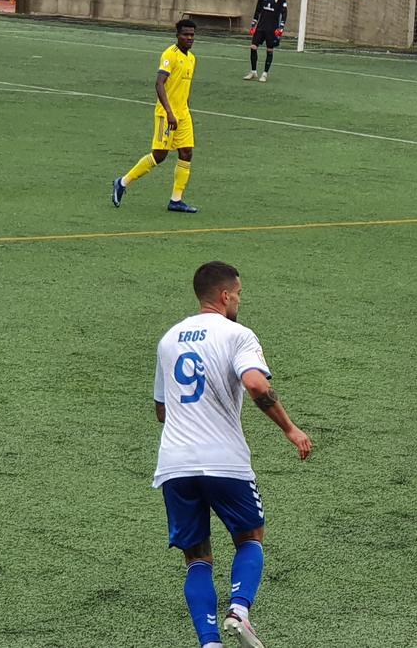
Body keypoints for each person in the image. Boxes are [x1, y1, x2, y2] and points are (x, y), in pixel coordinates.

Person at [152, 261, 313, 647]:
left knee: (197, 558)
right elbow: (256, 385)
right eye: (238, 294)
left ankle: (209, 642)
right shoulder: (237, 334)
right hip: (224, 460)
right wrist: (290, 428)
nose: (239, 300)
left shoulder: (169, 339)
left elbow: (161, 410)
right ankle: (239, 611)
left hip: (174, 464)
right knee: (249, 537)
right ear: (225, 296)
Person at [112, 20, 200, 214]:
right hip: (166, 114)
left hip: (183, 114)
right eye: (186, 34)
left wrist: (186, 109)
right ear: (178, 35)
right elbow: (159, 84)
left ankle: (176, 200)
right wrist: (169, 112)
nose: (190, 38)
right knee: (159, 156)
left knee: (186, 153)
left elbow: (185, 89)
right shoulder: (170, 55)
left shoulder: (192, 58)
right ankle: (122, 182)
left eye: (192, 35)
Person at [244, 0, 288, 83]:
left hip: (272, 28)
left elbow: (284, 13)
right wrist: (254, 24)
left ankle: (264, 74)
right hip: (260, 27)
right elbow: (257, 10)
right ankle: (253, 71)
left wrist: (281, 27)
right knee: (253, 47)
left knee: (269, 50)